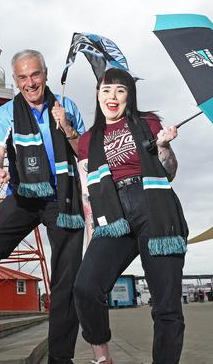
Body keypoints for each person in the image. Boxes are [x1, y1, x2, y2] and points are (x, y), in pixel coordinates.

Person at [0, 49, 85, 364]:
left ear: (45, 74)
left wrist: (69, 129)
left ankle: (61, 355)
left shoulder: (68, 106)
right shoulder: (5, 113)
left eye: (35, 75)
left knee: (67, 272)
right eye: (22, 77)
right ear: (15, 79)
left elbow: (85, 154)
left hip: (62, 197)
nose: (29, 82)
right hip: (23, 195)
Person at [73, 68, 188, 364]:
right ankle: (102, 358)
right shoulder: (87, 140)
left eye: (120, 90)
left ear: (129, 96)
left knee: (166, 305)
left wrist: (163, 147)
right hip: (112, 216)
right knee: (85, 287)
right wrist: (92, 235)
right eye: (106, 89)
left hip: (154, 205)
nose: (112, 96)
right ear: (97, 94)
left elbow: (170, 172)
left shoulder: (148, 123)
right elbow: (89, 194)